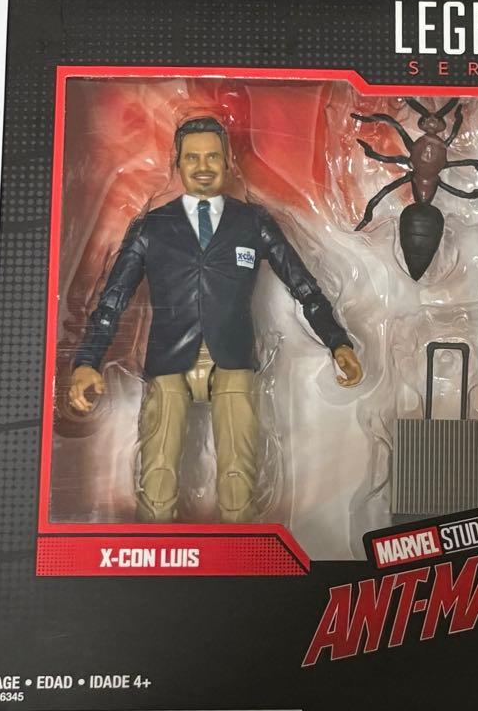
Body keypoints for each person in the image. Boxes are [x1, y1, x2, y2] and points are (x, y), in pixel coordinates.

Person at [68, 115, 363, 522]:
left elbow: (303, 285)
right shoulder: (152, 227)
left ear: (227, 162)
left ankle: (238, 545)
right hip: (169, 359)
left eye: (212, 157)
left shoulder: (252, 223)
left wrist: (337, 341)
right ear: (177, 164)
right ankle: (154, 544)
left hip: (233, 358)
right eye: (192, 158)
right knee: (157, 469)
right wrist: (87, 361)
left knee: (239, 471)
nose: (203, 166)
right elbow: (112, 300)